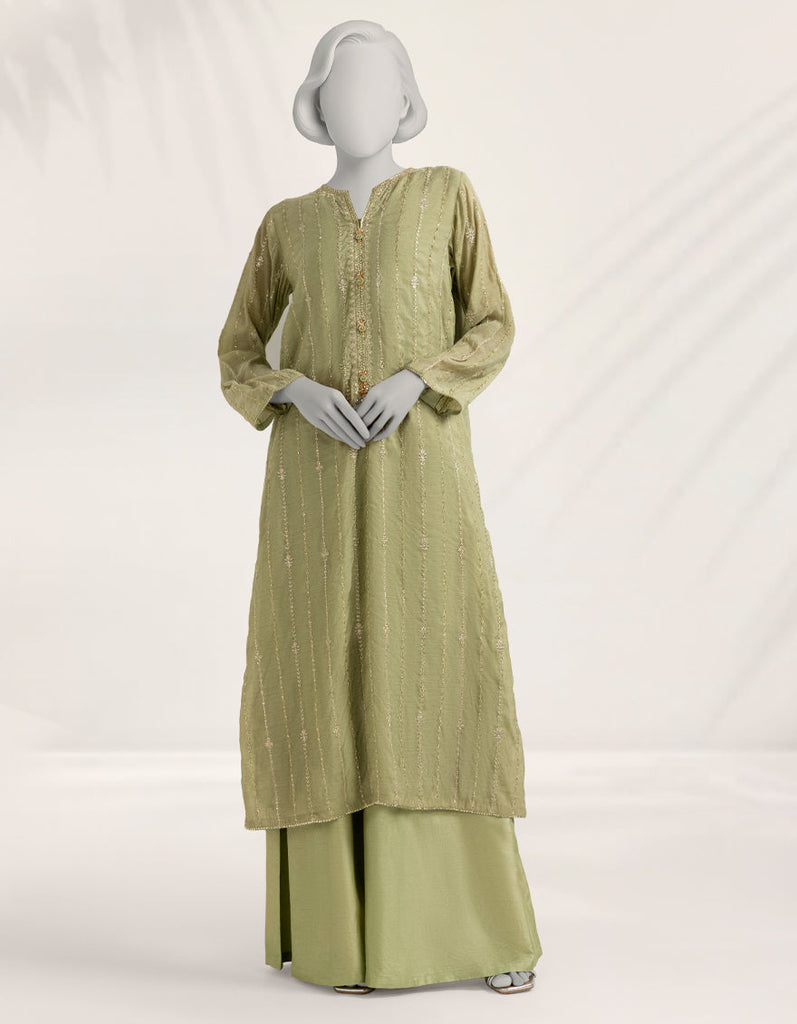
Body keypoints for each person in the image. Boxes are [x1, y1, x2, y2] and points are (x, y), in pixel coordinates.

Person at [217, 19, 542, 994]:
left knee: (435, 666)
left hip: (422, 474)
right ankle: (343, 939)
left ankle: (479, 931)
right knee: (321, 669)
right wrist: (291, 388)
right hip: (312, 487)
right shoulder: (286, 224)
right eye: (339, 86)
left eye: (375, 85)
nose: (357, 102)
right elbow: (237, 351)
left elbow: (492, 322)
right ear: (316, 105)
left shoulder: (446, 196)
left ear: (404, 102)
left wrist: (421, 377)